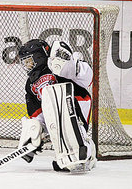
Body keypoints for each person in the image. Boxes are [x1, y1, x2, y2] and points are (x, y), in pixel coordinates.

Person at [17, 39, 97, 172]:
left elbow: (87, 78)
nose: (27, 65)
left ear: (39, 57)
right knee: (36, 124)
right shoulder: (30, 85)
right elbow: (38, 113)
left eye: (29, 61)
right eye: (24, 62)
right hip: (55, 113)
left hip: (76, 104)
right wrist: (35, 132)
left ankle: (87, 151)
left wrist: (71, 66)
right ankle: (69, 154)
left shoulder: (58, 64)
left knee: (66, 118)